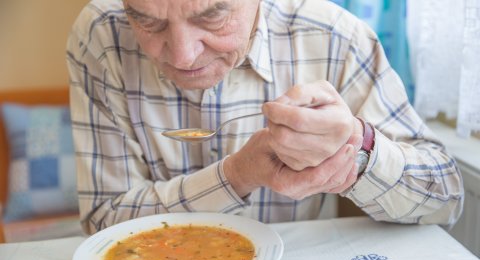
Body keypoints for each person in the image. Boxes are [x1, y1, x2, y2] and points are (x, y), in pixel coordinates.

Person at [67, 0, 464, 235]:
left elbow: (445, 201)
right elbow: (104, 221)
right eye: (147, 21)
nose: (183, 56)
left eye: (212, 15)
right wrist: (238, 175)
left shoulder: (336, 37)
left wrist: (359, 149)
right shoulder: (102, 36)